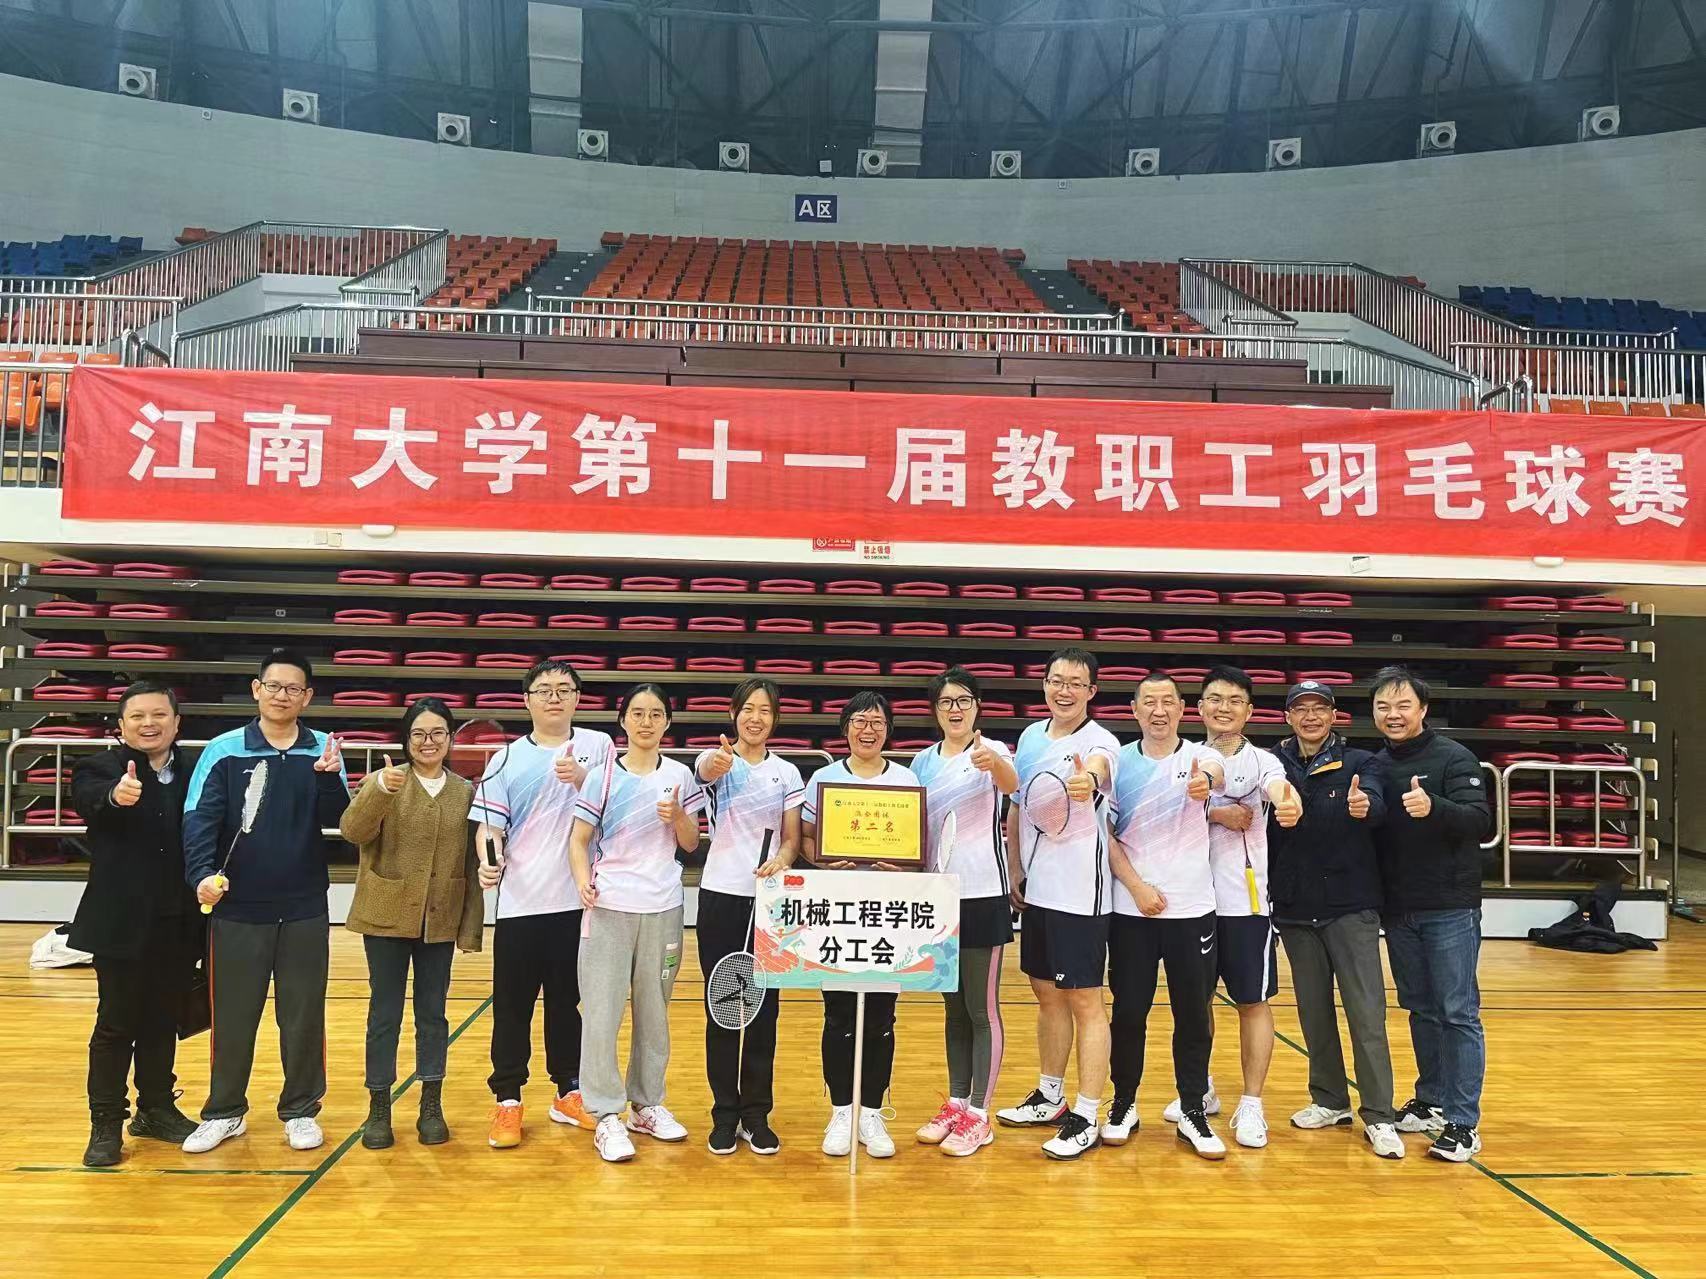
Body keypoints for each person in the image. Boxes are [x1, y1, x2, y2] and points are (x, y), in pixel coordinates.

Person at [181, 650, 350, 1155]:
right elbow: (199, 819)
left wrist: (327, 778)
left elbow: (342, 823)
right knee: (233, 1017)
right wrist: (201, 876)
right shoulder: (223, 751)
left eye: (293, 688)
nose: (282, 695)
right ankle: (224, 1112)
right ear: (257, 690)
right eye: (273, 686)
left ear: (307, 697)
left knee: (303, 1016)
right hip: (238, 909)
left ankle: (301, 1110)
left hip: (304, 907)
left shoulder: (323, 749)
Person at [473, 658, 615, 1150]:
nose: (554, 697)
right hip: (520, 904)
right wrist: (487, 863)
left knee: (567, 1004)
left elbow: (617, 807)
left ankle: (569, 1091)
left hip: (579, 902)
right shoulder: (505, 759)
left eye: (564, 688)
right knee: (512, 1006)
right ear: (527, 700)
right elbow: (490, 827)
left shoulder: (599, 747)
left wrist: (583, 780)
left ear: (577, 698)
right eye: (544, 689)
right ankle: (508, 1099)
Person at [339, 697, 483, 1150]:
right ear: (406, 740)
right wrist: (379, 790)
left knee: (433, 1014)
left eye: (437, 732)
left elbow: (471, 861)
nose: (428, 741)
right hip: (385, 916)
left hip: (440, 918)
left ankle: (430, 1104)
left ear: (451, 738)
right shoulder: (386, 780)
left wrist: (470, 927)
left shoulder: (464, 792)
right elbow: (352, 831)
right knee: (384, 1014)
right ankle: (378, 1107)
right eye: (418, 734)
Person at [570, 683, 705, 1163]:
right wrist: (583, 882)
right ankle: (606, 1113)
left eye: (656, 714)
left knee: (654, 1012)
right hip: (609, 907)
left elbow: (691, 842)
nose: (646, 722)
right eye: (638, 713)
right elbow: (579, 840)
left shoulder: (680, 775)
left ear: (667, 722)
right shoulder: (602, 776)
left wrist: (678, 816)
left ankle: (646, 1105)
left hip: (663, 907)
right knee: (602, 1013)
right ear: (623, 719)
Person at [1269, 680, 1404, 1159]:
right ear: (1288, 717)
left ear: (1333, 716)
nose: (1310, 717)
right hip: (1295, 909)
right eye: (1301, 709)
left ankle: (1379, 1113)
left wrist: (1365, 806)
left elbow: (1377, 803)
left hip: (1350, 907)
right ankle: (1329, 1099)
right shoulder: (1272, 763)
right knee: (1313, 1012)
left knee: (1366, 1014)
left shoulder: (1361, 763)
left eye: (1319, 709)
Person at [994, 648, 1120, 1160]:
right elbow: (1017, 806)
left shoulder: (1101, 742)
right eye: (1055, 681)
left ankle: (1087, 1114)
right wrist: (1015, 868)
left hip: (1081, 895)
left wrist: (1088, 779)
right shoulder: (1029, 737)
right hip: (1038, 889)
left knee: (1086, 1001)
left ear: (1091, 691)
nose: (1063, 690)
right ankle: (1051, 1096)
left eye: (1075, 683)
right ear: (1044, 685)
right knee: (1046, 994)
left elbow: (1098, 771)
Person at [69, 681, 200, 1167]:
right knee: (116, 1023)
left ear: (176, 722)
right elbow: (89, 798)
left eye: (159, 715)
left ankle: (156, 1109)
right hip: (121, 922)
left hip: (179, 920)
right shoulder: (100, 767)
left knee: (163, 1019)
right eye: (138, 716)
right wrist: (115, 796)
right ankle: (105, 1122)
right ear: (122, 726)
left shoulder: (196, 769)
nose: (150, 724)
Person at [1101, 674, 1231, 1160]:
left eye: (1168, 702)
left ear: (1182, 709)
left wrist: (1206, 783)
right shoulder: (1117, 764)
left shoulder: (1202, 757)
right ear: (1135, 710)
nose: (1159, 711)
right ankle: (1123, 1104)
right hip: (1131, 910)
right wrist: (1137, 888)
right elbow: (1106, 835)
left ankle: (1193, 1109)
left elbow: (1215, 774)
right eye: (1149, 702)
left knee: (1193, 1015)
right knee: (1128, 1012)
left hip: (1192, 910)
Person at [1172, 666, 1302, 1150]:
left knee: (1252, 1001)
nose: (1223, 707)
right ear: (1199, 707)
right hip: (1190, 903)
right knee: (1195, 1003)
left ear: (1249, 711)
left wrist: (1288, 803)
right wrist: (1216, 812)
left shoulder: (1263, 761)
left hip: (1244, 904)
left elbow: (1279, 789)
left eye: (1234, 700)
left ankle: (1252, 1103)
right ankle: (1201, 1090)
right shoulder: (1180, 757)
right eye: (1214, 698)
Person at [1369, 665, 1492, 1163]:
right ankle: (1432, 1098)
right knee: (1420, 1008)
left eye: (1403, 705)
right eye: (1383, 706)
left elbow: (1480, 820)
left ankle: (1463, 1122)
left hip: (1449, 908)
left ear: (1422, 709)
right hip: (1399, 909)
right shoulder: (1376, 763)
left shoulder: (1454, 757)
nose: (1393, 714)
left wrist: (1435, 807)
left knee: (1457, 1012)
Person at [801, 691, 922, 1160]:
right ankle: (840, 1110)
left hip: (888, 915)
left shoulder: (906, 780)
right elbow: (806, 837)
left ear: (888, 730)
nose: (867, 729)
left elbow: (918, 847)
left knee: (881, 1017)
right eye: (859, 720)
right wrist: (822, 861)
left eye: (876, 722)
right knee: (838, 1014)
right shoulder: (824, 778)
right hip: (838, 912)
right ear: (845, 727)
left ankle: (871, 1111)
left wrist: (906, 866)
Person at [910, 668, 1019, 1158]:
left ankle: (980, 1113)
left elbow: (1013, 786)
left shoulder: (992, 751)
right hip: (938, 897)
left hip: (982, 894)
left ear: (977, 706)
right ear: (935, 710)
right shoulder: (922, 761)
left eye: (964, 700)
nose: (955, 709)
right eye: (946, 701)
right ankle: (956, 1102)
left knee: (981, 1008)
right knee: (952, 1009)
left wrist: (993, 764)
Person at [693, 678, 802, 1157]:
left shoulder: (787, 772)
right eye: (748, 709)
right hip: (720, 897)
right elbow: (705, 769)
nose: (756, 718)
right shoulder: (717, 761)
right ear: (734, 714)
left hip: (769, 900)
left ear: (775, 718)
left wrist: (782, 859)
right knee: (721, 1008)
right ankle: (724, 1114)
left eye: (765, 710)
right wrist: (715, 763)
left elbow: (792, 838)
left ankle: (756, 1115)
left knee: (764, 1010)